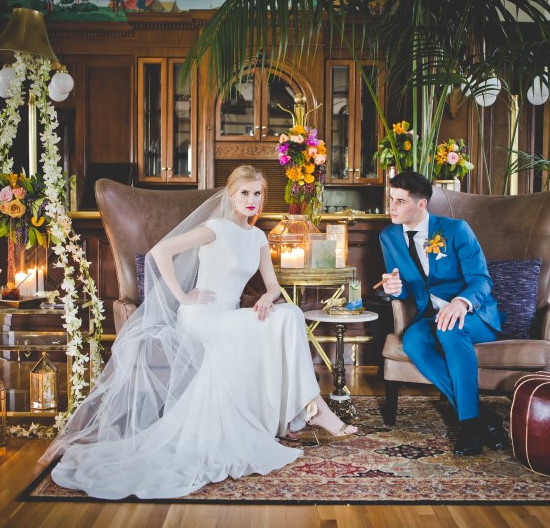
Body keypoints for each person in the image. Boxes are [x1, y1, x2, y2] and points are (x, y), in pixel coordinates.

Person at [39, 165, 356, 499]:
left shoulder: (258, 237)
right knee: (284, 319)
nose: (251, 200)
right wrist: (181, 296)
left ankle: (304, 409)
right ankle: (310, 409)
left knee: (289, 312)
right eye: (244, 193)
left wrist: (266, 297)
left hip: (230, 317)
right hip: (200, 316)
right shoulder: (216, 228)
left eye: (257, 193)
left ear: (263, 197)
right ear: (231, 196)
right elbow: (160, 252)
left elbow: (274, 285)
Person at [379, 171, 508, 456]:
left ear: (422, 205)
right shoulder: (388, 236)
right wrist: (395, 287)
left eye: (400, 201)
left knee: (449, 327)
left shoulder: (456, 229)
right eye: (391, 199)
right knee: (412, 341)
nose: (392, 207)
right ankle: (481, 417)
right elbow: (404, 290)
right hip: (430, 316)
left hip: (475, 315)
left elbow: (482, 279)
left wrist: (461, 303)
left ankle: (470, 426)